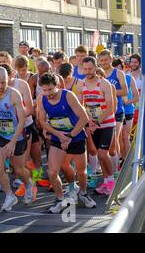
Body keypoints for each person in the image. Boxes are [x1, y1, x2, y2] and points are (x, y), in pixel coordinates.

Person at [36, 73, 96, 213]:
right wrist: (59, 135)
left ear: (57, 86)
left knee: (81, 171)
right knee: (52, 172)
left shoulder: (68, 96)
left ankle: (83, 193)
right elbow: (42, 122)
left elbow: (84, 118)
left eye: (50, 89)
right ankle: (60, 199)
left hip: (76, 136)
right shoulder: (41, 98)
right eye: (44, 90)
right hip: (58, 137)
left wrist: (69, 136)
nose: (47, 93)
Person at [0, 67, 35, 211]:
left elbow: (22, 120)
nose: (0, 86)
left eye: (3, 83)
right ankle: (10, 195)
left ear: (8, 80)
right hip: (0, 134)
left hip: (17, 135)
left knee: (19, 169)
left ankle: (29, 183)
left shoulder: (14, 94)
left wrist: (13, 142)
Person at [75, 57, 116, 196]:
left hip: (106, 123)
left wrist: (97, 122)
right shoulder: (81, 85)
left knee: (103, 154)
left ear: (96, 67)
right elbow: (80, 106)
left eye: (90, 69)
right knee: (99, 154)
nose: (87, 72)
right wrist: (88, 122)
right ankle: (105, 182)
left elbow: (110, 107)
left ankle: (111, 183)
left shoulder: (104, 84)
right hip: (92, 124)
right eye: (85, 69)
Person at [98, 50, 127, 176]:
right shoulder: (98, 73)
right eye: (102, 60)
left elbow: (125, 91)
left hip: (117, 111)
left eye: (106, 60)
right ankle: (108, 173)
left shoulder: (118, 73)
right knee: (104, 147)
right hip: (102, 112)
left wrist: (109, 92)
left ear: (111, 59)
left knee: (114, 142)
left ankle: (116, 171)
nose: (104, 62)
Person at [113, 59, 139, 160]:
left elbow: (137, 98)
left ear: (123, 69)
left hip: (127, 110)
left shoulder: (129, 78)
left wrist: (125, 102)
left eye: (119, 70)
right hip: (116, 111)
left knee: (125, 136)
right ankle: (121, 158)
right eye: (115, 71)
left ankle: (128, 161)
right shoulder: (108, 79)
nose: (117, 73)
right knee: (117, 138)